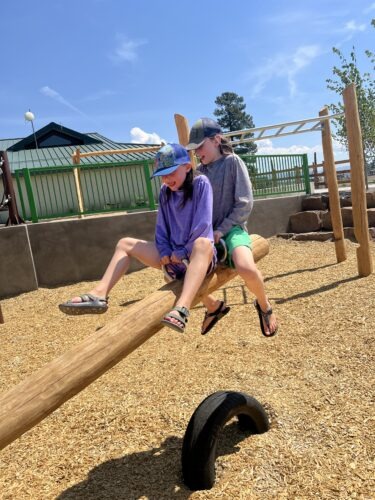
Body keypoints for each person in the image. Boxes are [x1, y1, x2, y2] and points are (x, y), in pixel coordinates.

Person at [59, 143, 217, 333]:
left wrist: (183, 251)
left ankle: (182, 308)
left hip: (198, 256)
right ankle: (99, 294)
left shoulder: (201, 184)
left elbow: (203, 225)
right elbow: (162, 228)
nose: (166, 179)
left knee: (202, 243)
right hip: (174, 257)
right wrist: (165, 251)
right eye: (162, 175)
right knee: (124, 243)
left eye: (171, 172)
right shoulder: (165, 192)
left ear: (187, 167)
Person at [185, 118, 278, 337]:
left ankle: (265, 306)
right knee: (177, 276)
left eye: (200, 146)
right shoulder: (199, 173)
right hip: (208, 236)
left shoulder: (233, 162)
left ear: (216, 140)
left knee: (246, 268)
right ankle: (213, 307)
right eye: (194, 149)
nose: (197, 152)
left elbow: (244, 203)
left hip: (233, 229)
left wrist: (222, 230)